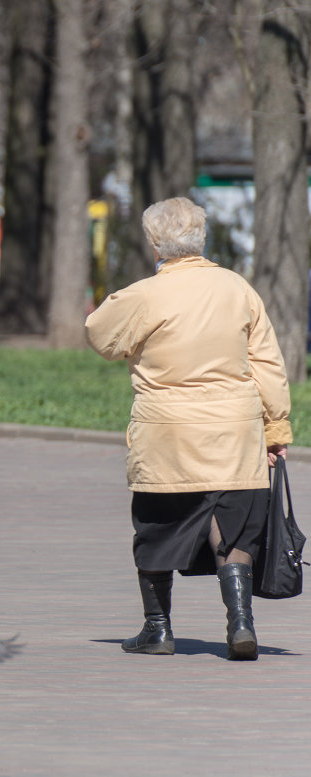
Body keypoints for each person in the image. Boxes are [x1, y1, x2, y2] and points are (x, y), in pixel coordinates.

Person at [85, 196, 291, 661]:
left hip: (167, 433)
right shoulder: (238, 289)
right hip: (234, 432)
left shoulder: (144, 295)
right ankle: (240, 624)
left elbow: (99, 334)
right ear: (202, 237)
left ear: (155, 243)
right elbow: (268, 365)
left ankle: (158, 630)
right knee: (234, 528)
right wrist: (276, 429)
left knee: (157, 528)